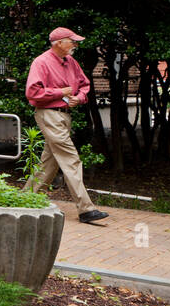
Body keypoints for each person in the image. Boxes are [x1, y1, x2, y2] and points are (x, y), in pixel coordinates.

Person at [24, 27, 108, 223]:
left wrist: (78, 97)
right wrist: (60, 93)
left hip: (65, 116)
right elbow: (32, 93)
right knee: (71, 159)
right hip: (49, 115)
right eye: (72, 41)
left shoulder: (71, 62)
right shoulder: (41, 62)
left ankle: (26, 198)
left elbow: (85, 84)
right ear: (59, 43)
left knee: (49, 162)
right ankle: (86, 210)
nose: (76, 45)